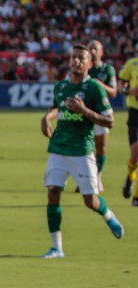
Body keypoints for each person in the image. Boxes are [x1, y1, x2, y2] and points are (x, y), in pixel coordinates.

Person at [40, 44, 123, 259]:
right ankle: (56, 248)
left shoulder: (94, 88)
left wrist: (84, 110)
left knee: (90, 201)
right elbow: (56, 106)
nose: (76, 61)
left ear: (89, 63)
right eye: (74, 57)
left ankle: (108, 215)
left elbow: (110, 120)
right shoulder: (60, 86)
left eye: (81, 58)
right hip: (59, 147)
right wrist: (46, 118)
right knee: (52, 194)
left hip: (82, 150)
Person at [81, 40, 117, 193]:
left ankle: (97, 177)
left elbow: (114, 92)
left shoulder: (107, 69)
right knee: (84, 147)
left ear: (101, 52)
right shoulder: (84, 69)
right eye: (90, 48)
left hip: (101, 113)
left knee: (101, 148)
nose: (93, 51)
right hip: (85, 114)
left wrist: (99, 84)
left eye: (95, 48)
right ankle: (85, 178)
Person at [118, 50, 138, 206]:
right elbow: (121, 86)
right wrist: (129, 91)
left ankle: (137, 197)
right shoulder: (132, 64)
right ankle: (131, 176)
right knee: (135, 155)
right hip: (135, 113)